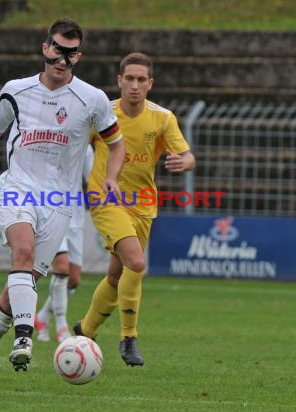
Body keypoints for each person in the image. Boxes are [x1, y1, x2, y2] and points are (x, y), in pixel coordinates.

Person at [0, 18, 125, 385]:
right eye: (57, 49)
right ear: (44, 47)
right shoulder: (15, 91)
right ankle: (25, 336)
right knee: (21, 253)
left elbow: (116, 144)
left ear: (78, 56)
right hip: (18, 187)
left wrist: (111, 176)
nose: (62, 59)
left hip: (61, 202)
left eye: (70, 53)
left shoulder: (92, 99)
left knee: (13, 293)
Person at [73, 52, 195, 366]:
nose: (135, 85)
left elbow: (188, 155)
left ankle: (85, 329)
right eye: (129, 78)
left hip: (142, 206)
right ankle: (128, 337)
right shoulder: (103, 114)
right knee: (136, 263)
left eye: (142, 79)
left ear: (150, 83)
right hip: (105, 198)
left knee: (117, 274)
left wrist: (184, 162)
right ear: (119, 81)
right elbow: (74, 145)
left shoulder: (162, 118)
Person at [34, 145, 94, 343]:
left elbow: (93, 178)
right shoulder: (45, 138)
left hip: (75, 214)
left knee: (74, 279)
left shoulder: (84, 146)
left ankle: (41, 318)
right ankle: (62, 327)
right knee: (61, 268)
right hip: (49, 208)